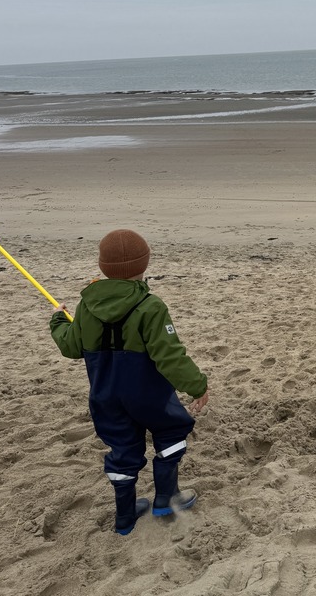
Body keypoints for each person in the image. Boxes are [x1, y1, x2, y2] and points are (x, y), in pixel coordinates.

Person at [50, 229, 209, 535]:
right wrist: (197, 385)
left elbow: (70, 346)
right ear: (144, 265)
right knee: (171, 431)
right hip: (149, 395)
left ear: (103, 266)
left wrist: (58, 319)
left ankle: (124, 518)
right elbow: (169, 356)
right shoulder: (151, 306)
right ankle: (166, 498)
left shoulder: (87, 307)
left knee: (123, 450)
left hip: (106, 397)